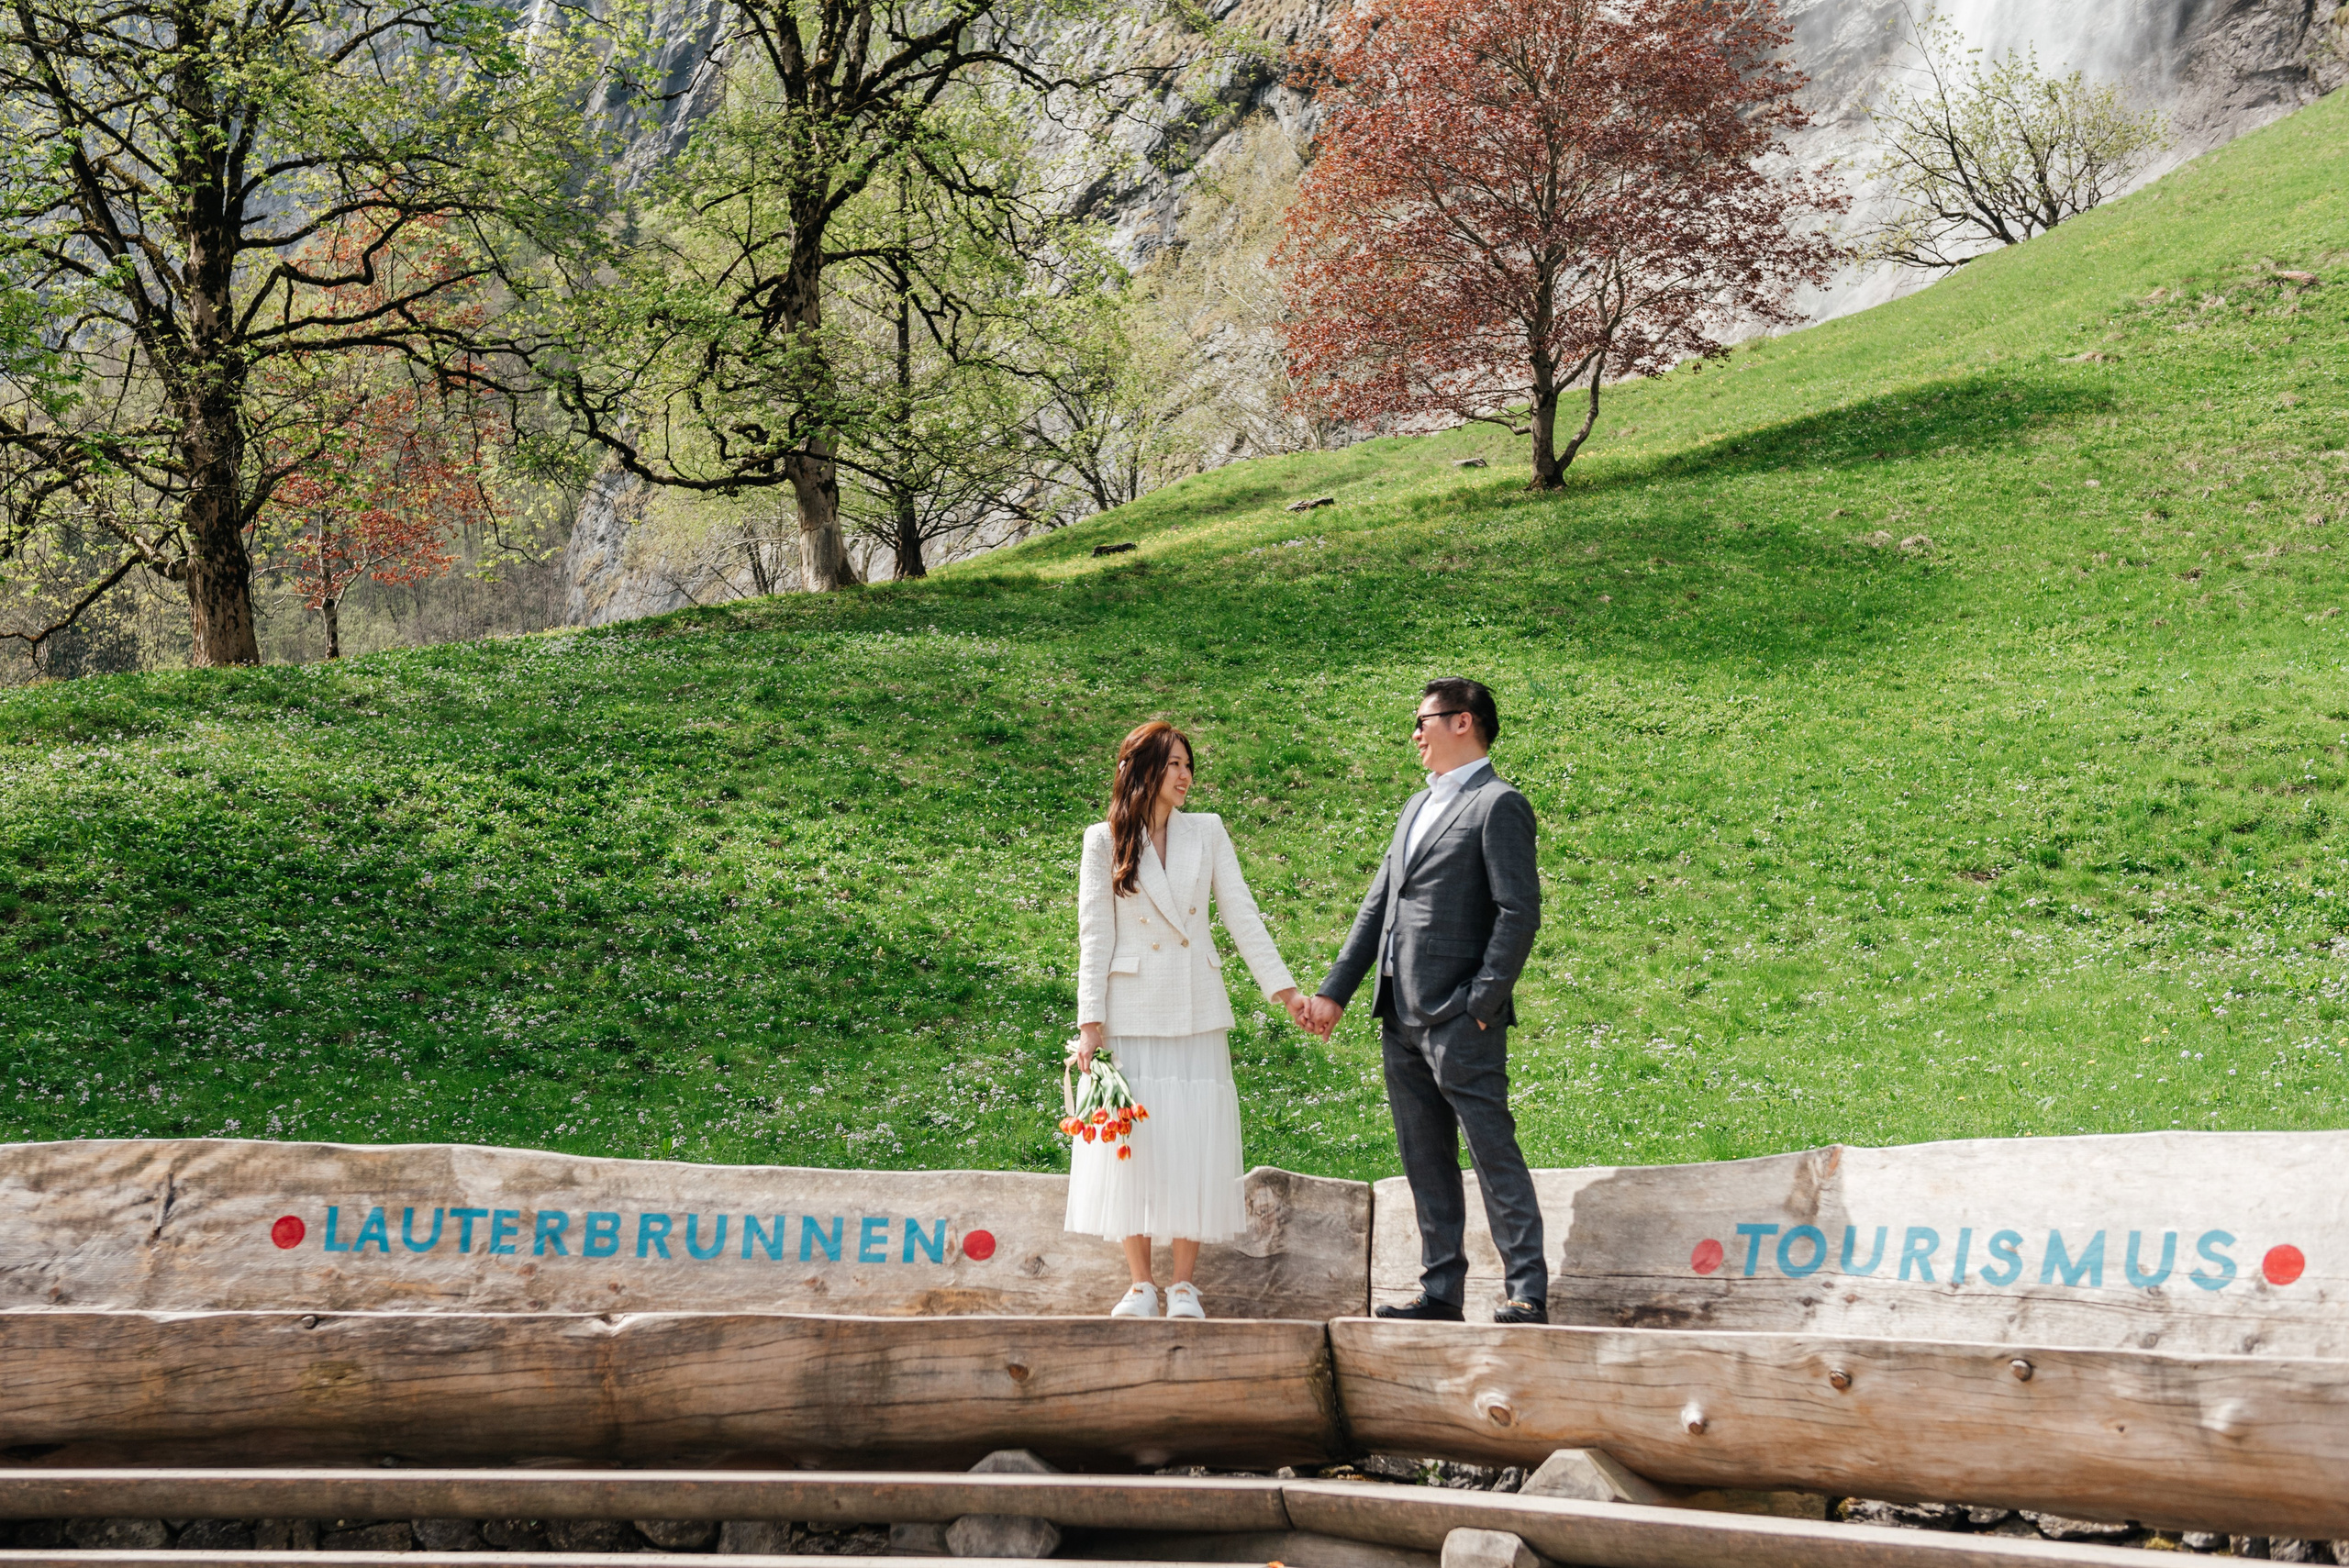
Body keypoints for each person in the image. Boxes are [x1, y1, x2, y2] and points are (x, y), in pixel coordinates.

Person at [1304, 678, 1547, 1324]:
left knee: (1492, 1152)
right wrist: (1334, 993)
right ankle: (1441, 1292)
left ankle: (1527, 1290)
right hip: (1399, 1013)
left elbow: (1518, 912)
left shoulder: (1499, 804)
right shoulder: (1416, 805)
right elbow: (1378, 905)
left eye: (1423, 721)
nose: (1415, 734)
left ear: (1462, 721)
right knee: (1425, 1159)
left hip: (1461, 1017)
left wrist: (1482, 1003)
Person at [1069, 720, 1312, 1319]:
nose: (1185, 776)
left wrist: (1285, 991)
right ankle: (1140, 1285)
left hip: (1196, 1006)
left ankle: (1183, 1285)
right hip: (1131, 1010)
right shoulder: (1104, 840)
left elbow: (1241, 912)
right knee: (1132, 1144)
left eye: (1188, 765)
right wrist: (1090, 1022)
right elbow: (1095, 934)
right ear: (1144, 769)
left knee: (1194, 1143)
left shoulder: (1208, 831)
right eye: (1174, 764)